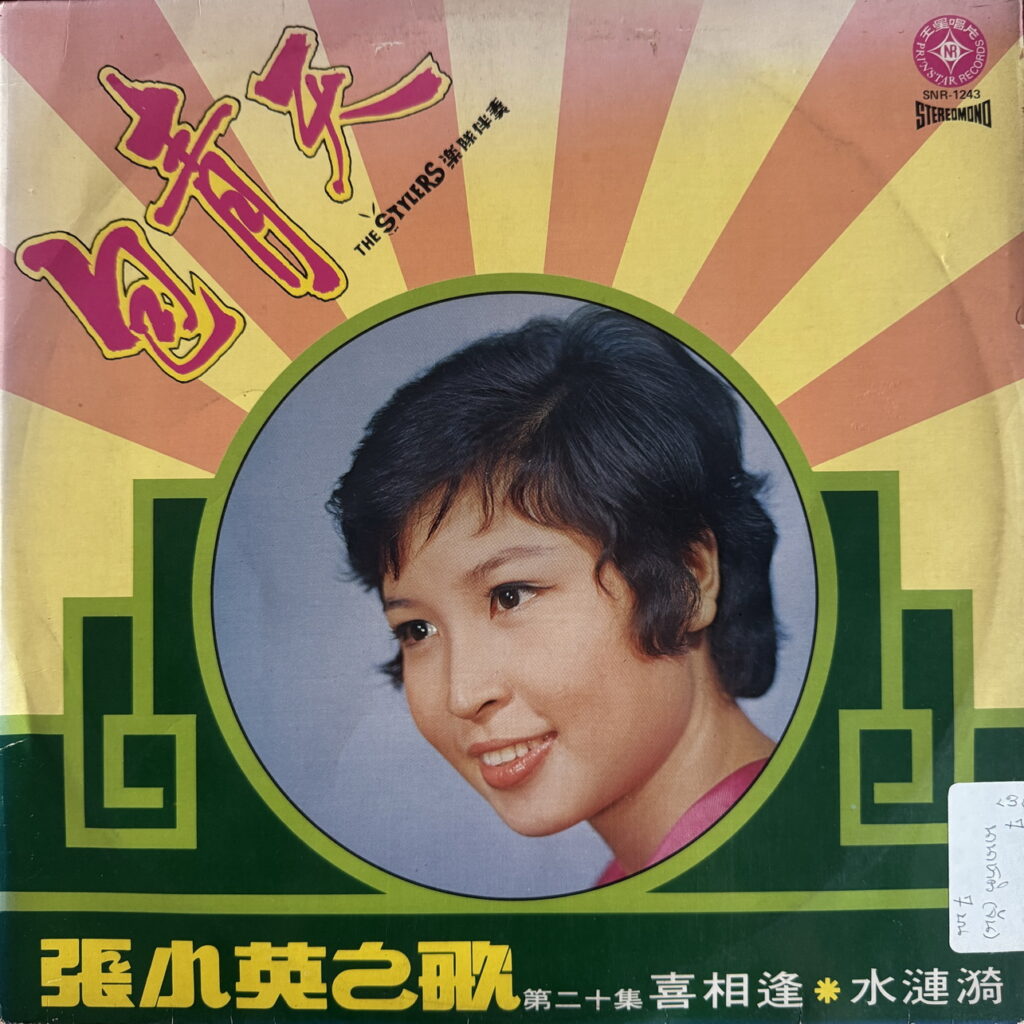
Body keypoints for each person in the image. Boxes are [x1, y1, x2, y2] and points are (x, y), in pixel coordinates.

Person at [327, 306, 778, 883]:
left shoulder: (766, 873)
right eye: (417, 630)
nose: (463, 695)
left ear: (688, 576)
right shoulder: (667, 873)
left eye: (511, 595)